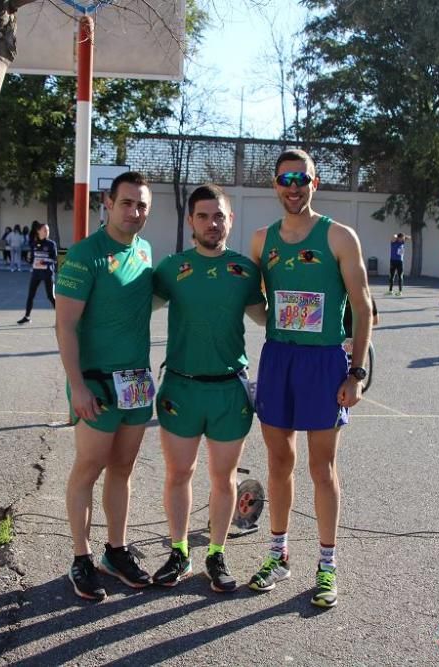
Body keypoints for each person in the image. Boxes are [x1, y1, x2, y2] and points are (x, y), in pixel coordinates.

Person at [247, 149, 372, 609]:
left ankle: (327, 565)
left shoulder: (339, 236)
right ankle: (278, 556)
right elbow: (255, 302)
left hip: (323, 364)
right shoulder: (261, 241)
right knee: (279, 464)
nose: (293, 186)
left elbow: (362, 307)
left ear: (315, 183)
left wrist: (356, 372)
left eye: (301, 178)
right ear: (275, 185)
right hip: (279, 359)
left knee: (322, 469)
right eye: (285, 179)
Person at [150, 184, 266, 593]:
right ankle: (180, 551)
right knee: (179, 473)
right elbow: (131, 309)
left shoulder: (246, 271)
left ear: (230, 220)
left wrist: (335, 319)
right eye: (203, 216)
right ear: (190, 221)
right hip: (182, 387)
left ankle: (216, 553)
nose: (212, 223)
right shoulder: (171, 268)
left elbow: (268, 320)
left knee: (224, 477)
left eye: (219, 216)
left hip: (228, 392)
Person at [55, 171, 156, 601]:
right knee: (89, 468)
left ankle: (116, 550)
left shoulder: (146, 250)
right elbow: (65, 325)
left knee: (123, 469)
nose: (134, 212)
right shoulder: (84, 255)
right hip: (95, 384)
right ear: (108, 203)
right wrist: (77, 386)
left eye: (142, 206)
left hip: (136, 383)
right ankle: (81, 557)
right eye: (127, 203)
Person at [17, 222, 58, 324]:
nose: (46, 232)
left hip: (48, 273)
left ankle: (61, 319)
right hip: (36, 273)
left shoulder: (51, 244)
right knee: (30, 295)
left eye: (48, 230)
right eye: (44, 230)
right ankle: (27, 316)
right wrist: (28, 259)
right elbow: (32, 260)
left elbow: (55, 259)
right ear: (39, 231)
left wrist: (44, 261)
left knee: (50, 296)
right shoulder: (34, 243)